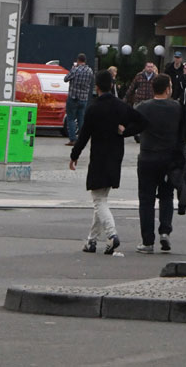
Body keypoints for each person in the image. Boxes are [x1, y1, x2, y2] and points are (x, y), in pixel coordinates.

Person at [69, 69, 142, 254]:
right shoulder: (120, 106)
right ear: (112, 85)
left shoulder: (93, 108)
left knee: (98, 200)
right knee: (101, 198)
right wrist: (125, 131)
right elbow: (142, 122)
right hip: (116, 157)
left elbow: (84, 135)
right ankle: (91, 241)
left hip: (99, 157)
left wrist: (74, 155)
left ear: (97, 87)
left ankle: (112, 235)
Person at [134, 72, 186, 253]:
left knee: (146, 200)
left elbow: (134, 129)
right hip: (169, 159)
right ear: (167, 89)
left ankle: (147, 242)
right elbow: (184, 135)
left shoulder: (143, 107)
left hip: (147, 158)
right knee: (166, 196)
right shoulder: (178, 108)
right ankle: (165, 231)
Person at [63, 53, 95, 146]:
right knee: (81, 119)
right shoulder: (90, 71)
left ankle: (73, 139)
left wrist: (73, 68)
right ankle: (82, 139)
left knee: (71, 119)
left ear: (78, 60)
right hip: (83, 98)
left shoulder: (75, 70)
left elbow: (66, 79)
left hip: (73, 97)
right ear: (85, 61)